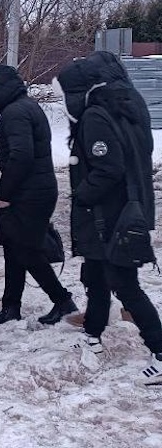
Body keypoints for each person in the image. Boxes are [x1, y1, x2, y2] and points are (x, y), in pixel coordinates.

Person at [57, 52, 162, 385]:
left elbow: (110, 167)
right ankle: (93, 334)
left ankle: (160, 351)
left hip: (110, 217)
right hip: (125, 211)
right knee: (96, 276)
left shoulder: (96, 117)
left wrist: (82, 195)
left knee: (124, 285)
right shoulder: (130, 110)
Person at [0, 65, 77, 327]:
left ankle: (63, 301)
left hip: (29, 193)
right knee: (14, 247)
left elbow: (22, 156)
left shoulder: (16, 113)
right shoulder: (24, 108)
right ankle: (11, 307)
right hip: (35, 189)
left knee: (26, 250)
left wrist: (4, 193)